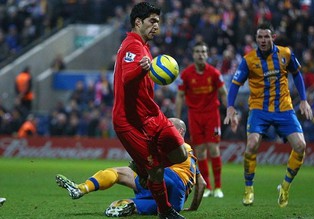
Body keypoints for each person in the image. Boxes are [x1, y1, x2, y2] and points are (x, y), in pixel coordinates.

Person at [112, 2, 188, 219]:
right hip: (129, 121)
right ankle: (165, 212)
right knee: (156, 170)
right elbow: (127, 78)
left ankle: (142, 166)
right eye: (152, 21)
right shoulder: (132, 45)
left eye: (158, 22)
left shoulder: (143, 46)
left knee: (180, 153)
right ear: (138, 22)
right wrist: (141, 67)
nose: (157, 26)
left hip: (151, 114)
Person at [224, 22, 313, 207]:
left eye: (266, 37)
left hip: (284, 108)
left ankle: (285, 187)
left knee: (301, 146)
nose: (263, 40)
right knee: (252, 145)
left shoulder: (285, 54)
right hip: (259, 109)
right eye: (260, 37)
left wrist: (303, 99)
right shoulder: (248, 60)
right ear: (256, 39)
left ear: (273, 37)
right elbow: (234, 85)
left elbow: (297, 74)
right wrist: (230, 107)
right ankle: (249, 188)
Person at [56, 118, 206, 217]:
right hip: (172, 200)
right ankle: (122, 203)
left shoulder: (177, 146)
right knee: (131, 200)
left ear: (179, 131)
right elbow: (202, 184)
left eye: (169, 126)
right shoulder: (191, 156)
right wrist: (193, 207)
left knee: (133, 170)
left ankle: (82, 188)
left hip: (170, 182)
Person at [175, 41, 228, 198]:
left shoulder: (214, 73)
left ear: (207, 54)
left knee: (213, 148)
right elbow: (179, 96)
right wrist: (177, 119)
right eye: (198, 51)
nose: (201, 54)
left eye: (203, 51)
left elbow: (223, 93)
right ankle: (207, 187)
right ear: (193, 54)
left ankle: (218, 187)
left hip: (212, 114)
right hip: (194, 115)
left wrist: (231, 110)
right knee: (200, 152)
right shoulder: (186, 74)